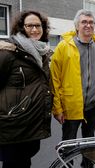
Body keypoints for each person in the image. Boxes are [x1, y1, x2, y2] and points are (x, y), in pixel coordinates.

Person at [50, 9, 95, 167]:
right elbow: (54, 79)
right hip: (71, 105)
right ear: (77, 25)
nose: (88, 25)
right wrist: (57, 108)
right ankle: (65, 166)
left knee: (89, 142)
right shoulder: (64, 47)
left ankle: (87, 166)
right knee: (68, 144)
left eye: (91, 22)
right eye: (84, 22)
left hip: (92, 106)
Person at [0, 10, 52, 168]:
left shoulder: (42, 53)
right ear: (21, 27)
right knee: (13, 164)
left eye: (38, 25)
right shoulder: (8, 52)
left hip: (31, 125)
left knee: (24, 162)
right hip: (13, 125)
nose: (35, 29)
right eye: (30, 26)